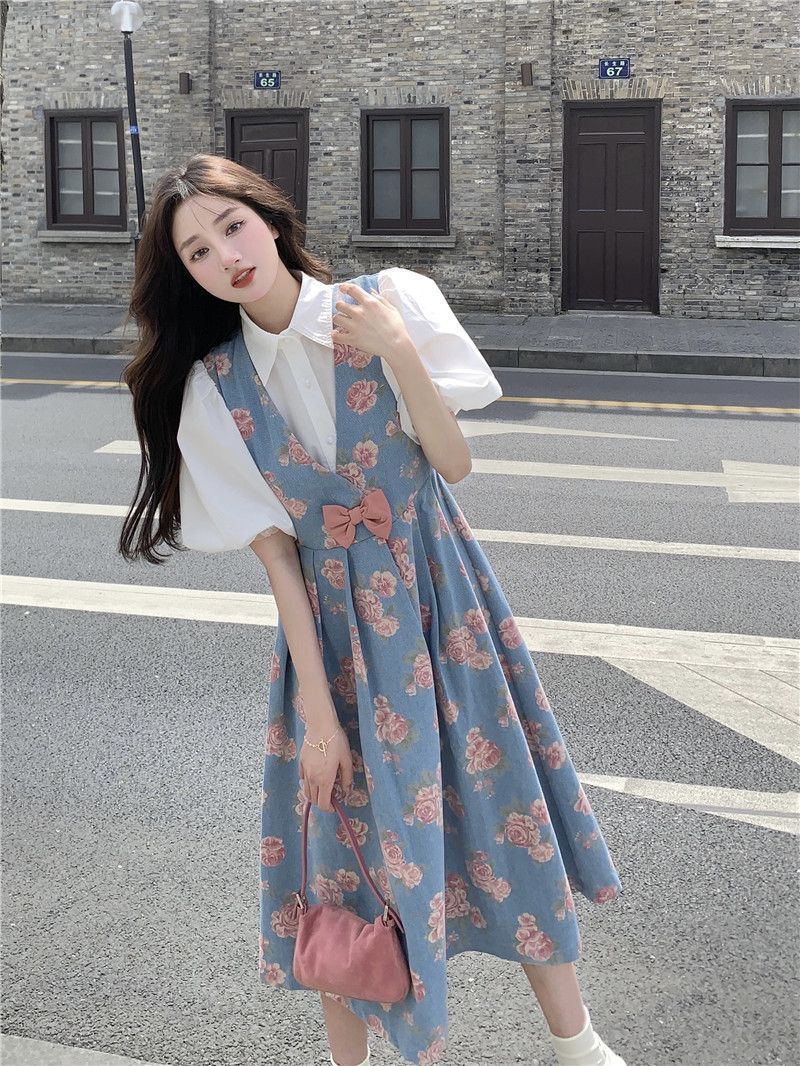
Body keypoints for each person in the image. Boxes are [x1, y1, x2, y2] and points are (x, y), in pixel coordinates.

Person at [118, 153, 627, 1066]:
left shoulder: (390, 301)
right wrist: (318, 719)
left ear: (270, 221)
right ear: (187, 274)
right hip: (335, 648)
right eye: (197, 251)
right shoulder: (214, 389)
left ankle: (578, 1045)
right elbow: (279, 561)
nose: (225, 256)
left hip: (446, 613)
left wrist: (397, 348)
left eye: (232, 227)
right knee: (345, 860)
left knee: (500, 809)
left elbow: (453, 464)